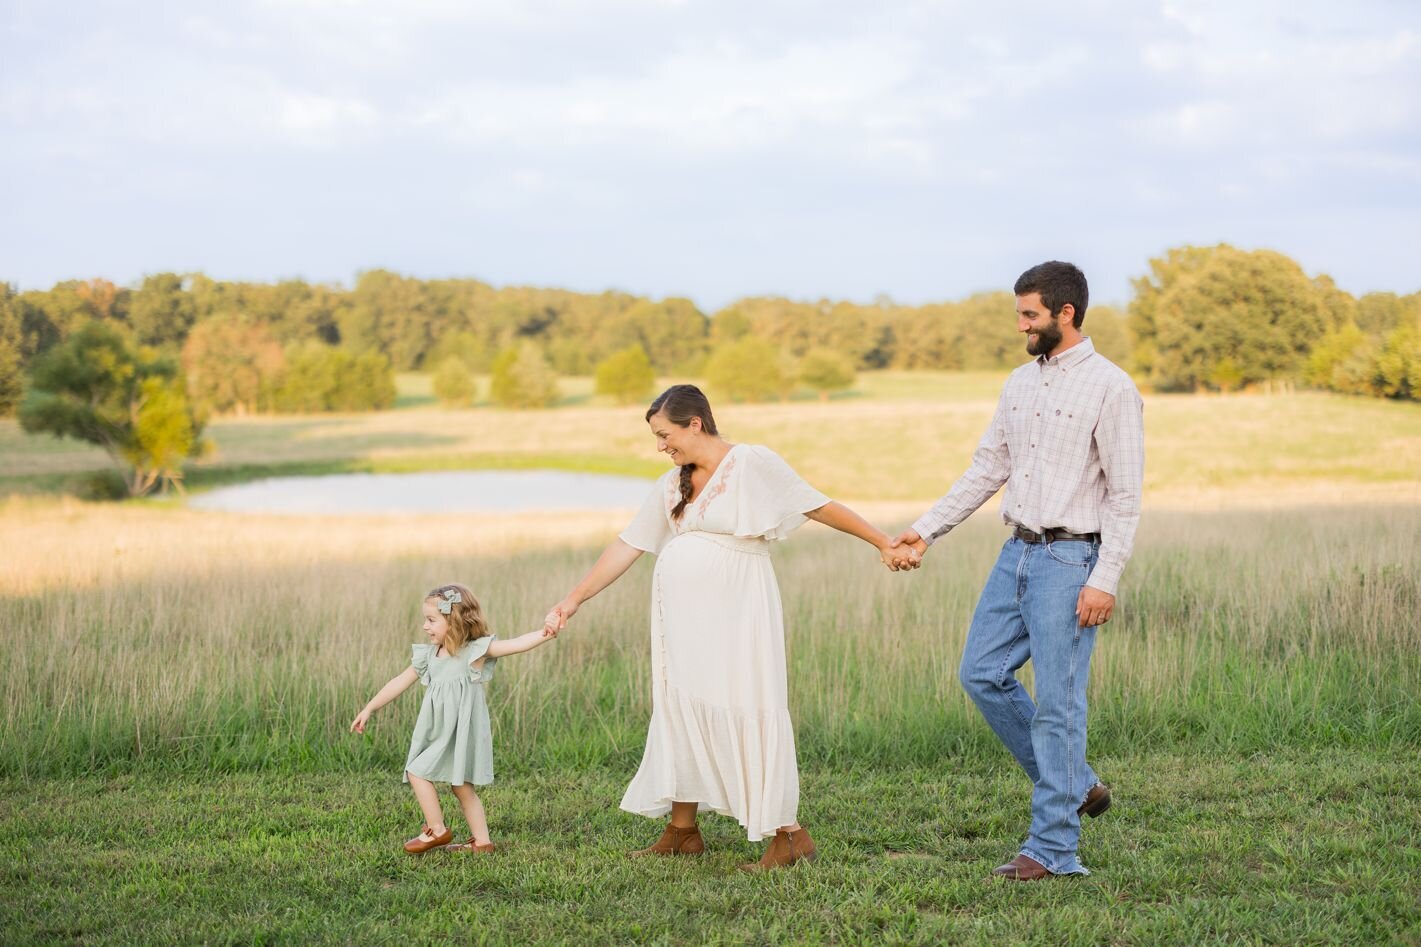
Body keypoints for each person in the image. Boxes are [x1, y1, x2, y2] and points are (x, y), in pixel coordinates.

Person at [543, 384, 910, 871]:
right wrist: (573, 600)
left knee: (747, 702)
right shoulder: (674, 483)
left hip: (738, 609)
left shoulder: (751, 463)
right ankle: (682, 829)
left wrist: (882, 541)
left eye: (665, 434)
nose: (660, 446)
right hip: (683, 623)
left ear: (695, 423)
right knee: (681, 705)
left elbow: (815, 504)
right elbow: (627, 545)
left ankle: (788, 835)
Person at [890, 261, 1144, 881]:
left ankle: (1055, 849)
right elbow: (986, 469)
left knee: (1058, 704)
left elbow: (1125, 495)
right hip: (1017, 553)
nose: (1021, 326)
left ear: (1066, 314)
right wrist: (925, 529)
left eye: (1030, 315)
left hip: (1071, 558)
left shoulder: (1112, 388)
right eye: (1019, 315)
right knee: (981, 673)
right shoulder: (1018, 384)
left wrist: (1104, 577)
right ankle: (1076, 784)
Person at [351, 583, 556, 854]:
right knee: (424, 773)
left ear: (454, 620)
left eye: (431, 620)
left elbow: (516, 644)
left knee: (447, 782)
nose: (425, 626)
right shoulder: (429, 656)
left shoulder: (473, 652)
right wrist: (370, 707)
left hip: (461, 731)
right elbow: (399, 681)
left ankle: (441, 832)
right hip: (438, 731)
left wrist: (545, 633)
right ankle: (478, 841)